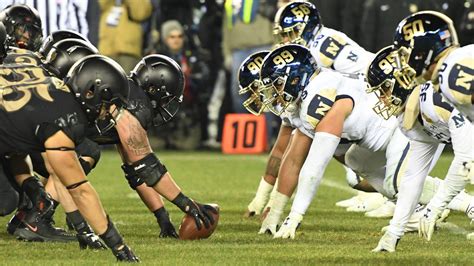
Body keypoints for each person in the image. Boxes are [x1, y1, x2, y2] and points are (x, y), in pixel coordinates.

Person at [255, 44, 473, 238]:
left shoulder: (320, 99)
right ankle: (414, 211)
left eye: (277, 86)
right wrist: (275, 211)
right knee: (358, 163)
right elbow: (293, 159)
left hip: (399, 128)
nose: (274, 95)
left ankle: (467, 204)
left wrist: (295, 216)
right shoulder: (303, 102)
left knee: (396, 182)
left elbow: (314, 166)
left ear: (296, 79)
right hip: (378, 135)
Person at [249, 1, 386, 218]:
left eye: (291, 33)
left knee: (352, 163)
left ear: (306, 28)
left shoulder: (323, 47)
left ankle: (396, 194)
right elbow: (284, 141)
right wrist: (263, 196)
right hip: (352, 104)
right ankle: (390, 191)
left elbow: (370, 70)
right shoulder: (305, 56)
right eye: (283, 34)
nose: (285, 40)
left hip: (373, 100)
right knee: (350, 166)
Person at [0, 54, 139, 261]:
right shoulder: (65, 120)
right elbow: (80, 190)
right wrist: (118, 245)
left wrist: (81, 227)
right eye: (110, 104)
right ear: (91, 92)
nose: (110, 113)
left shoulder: (50, 86)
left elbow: (18, 138)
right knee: (6, 200)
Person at [369, 11, 474, 252]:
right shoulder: (427, 101)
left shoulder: (450, 77)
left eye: (405, 55)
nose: (403, 64)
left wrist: (436, 206)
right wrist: (395, 230)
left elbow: (467, 159)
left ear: (422, 50)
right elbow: (413, 177)